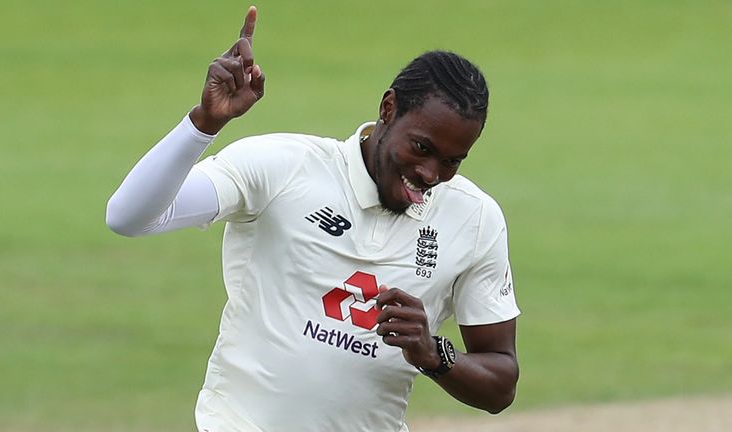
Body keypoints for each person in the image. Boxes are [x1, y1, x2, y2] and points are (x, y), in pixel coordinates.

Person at [106, 6, 520, 432]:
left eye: (452, 161)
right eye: (421, 147)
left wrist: (434, 355)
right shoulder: (283, 167)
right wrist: (204, 124)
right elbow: (128, 217)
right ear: (389, 107)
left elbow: (501, 383)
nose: (430, 174)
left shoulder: (474, 219)